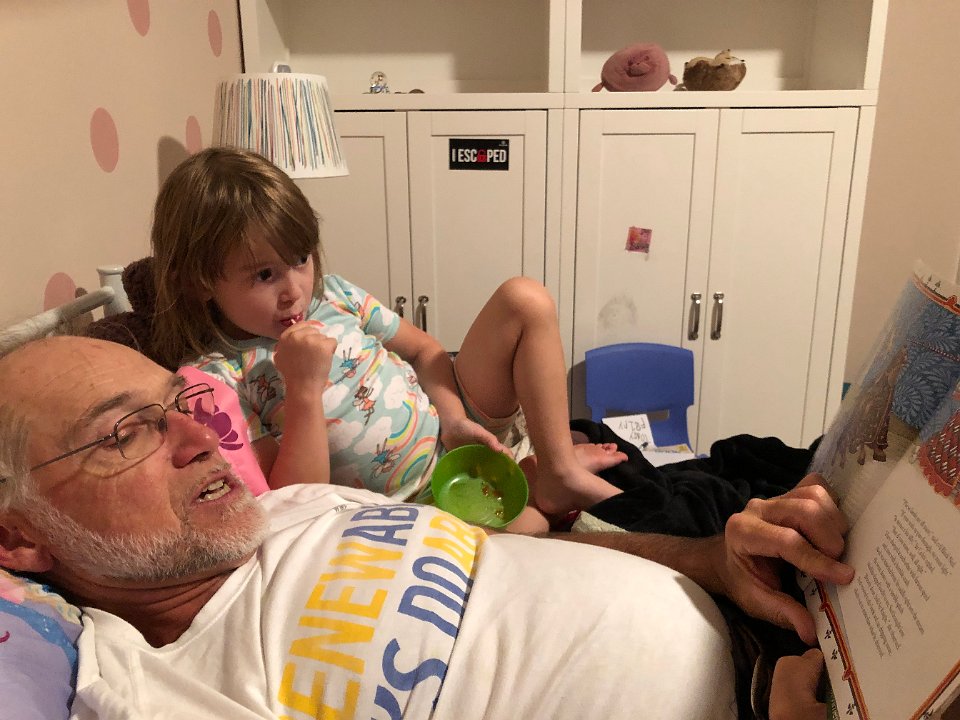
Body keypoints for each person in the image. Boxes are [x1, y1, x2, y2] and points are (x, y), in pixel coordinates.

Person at [0, 337, 852, 719]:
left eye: (179, 404)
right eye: (125, 433)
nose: (200, 438)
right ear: (18, 539)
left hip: (763, 621)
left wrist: (712, 560)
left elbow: (512, 553)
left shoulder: (294, 508)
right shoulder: (153, 689)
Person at [148, 147, 625, 531]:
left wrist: (454, 421)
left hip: (455, 435)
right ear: (200, 282)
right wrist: (304, 387)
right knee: (531, 529)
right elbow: (295, 502)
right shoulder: (219, 379)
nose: (294, 290)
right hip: (411, 505)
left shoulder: (335, 295)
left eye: (300, 260)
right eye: (264, 275)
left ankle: (557, 469)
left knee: (525, 298)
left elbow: (426, 350)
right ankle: (530, 479)